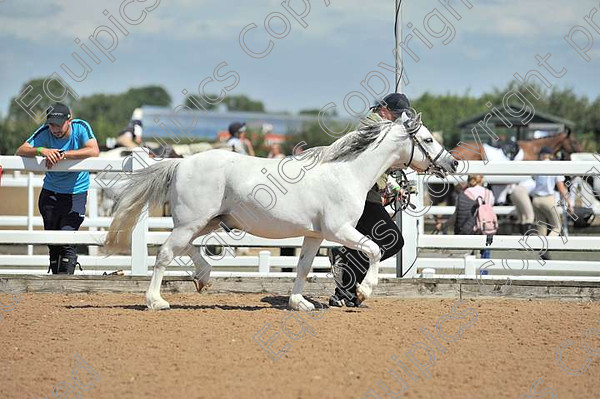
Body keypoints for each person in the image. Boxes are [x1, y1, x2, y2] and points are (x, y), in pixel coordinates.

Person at [328, 93, 409, 307]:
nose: (398, 120)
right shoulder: (373, 126)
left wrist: (394, 186)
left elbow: (377, 166)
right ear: (384, 110)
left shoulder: (379, 126)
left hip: (368, 195)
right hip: (363, 197)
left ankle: (343, 292)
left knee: (367, 245)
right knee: (392, 240)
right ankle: (344, 265)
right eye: (396, 115)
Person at [15, 103, 100, 274]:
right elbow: (21, 150)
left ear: (69, 120)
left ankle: (65, 284)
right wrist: (42, 150)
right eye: (52, 124)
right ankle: (55, 288)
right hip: (50, 194)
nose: (55, 129)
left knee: (67, 239)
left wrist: (63, 154)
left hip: (76, 194)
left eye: (59, 125)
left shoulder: (81, 127)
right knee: (53, 242)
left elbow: (94, 150)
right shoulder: (45, 131)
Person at [531, 147, 573, 236]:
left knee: (541, 227)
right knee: (557, 227)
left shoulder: (536, 166)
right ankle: (549, 245)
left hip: (536, 199)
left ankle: (541, 248)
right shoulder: (554, 166)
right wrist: (569, 202)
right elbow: (561, 188)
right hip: (548, 198)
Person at [453, 175, 496, 258]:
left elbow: (458, 214)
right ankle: (484, 269)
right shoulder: (488, 193)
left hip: (470, 227)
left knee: (470, 254)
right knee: (485, 248)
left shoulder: (466, 193)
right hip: (485, 226)